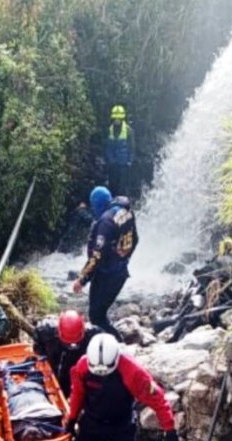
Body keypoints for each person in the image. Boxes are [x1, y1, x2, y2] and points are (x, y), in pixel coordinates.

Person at [66, 335, 178, 441]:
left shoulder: (133, 371)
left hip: (121, 424)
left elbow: (157, 399)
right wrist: (71, 419)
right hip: (93, 421)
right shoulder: (82, 366)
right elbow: (78, 393)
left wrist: (169, 430)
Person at [73, 186, 138, 342]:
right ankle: (114, 344)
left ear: (97, 204)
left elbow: (97, 255)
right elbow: (135, 239)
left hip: (106, 275)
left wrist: (82, 279)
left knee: (96, 317)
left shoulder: (106, 221)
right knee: (99, 315)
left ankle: (117, 345)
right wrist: (124, 258)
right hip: (120, 272)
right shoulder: (127, 212)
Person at [32, 310, 102, 397]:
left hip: (78, 370)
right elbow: (38, 346)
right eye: (68, 344)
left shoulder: (94, 335)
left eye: (75, 344)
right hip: (55, 364)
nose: (71, 346)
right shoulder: (45, 330)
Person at [105, 105, 135, 197]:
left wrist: (130, 161)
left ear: (122, 118)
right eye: (115, 118)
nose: (117, 120)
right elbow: (108, 147)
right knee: (112, 186)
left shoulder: (128, 130)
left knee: (122, 187)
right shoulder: (109, 130)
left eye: (119, 118)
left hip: (123, 164)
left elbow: (132, 147)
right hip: (112, 164)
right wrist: (110, 159)